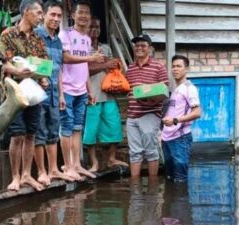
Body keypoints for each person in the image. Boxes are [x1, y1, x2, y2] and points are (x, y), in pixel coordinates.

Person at [0, 0, 46, 191]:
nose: (41, 17)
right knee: (17, 135)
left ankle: (27, 175)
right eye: (38, 12)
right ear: (26, 12)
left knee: (31, 134)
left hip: (33, 92)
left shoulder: (38, 39)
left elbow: (43, 66)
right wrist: (19, 72)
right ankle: (15, 177)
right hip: (14, 93)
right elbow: (2, 64)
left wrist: (43, 78)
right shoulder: (8, 34)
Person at [58, 0, 105, 180]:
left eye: (87, 13)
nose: (84, 16)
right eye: (81, 12)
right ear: (73, 15)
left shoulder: (86, 39)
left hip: (81, 90)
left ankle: (76, 164)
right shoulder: (66, 34)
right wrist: (90, 56)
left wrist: (89, 89)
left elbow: (84, 66)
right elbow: (66, 58)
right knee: (67, 128)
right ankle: (67, 166)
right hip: (67, 89)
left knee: (78, 128)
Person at [33, 0, 73, 185]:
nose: (56, 19)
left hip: (55, 93)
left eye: (59, 16)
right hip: (39, 91)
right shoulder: (36, 36)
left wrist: (62, 94)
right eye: (52, 15)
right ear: (44, 16)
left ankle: (54, 169)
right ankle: (42, 172)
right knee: (39, 131)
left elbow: (59, 70)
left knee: (52, 131)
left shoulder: (57, 41)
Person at [83, 16, 128, 172]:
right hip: (91, 95)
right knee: (91, 131)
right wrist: (105, 64)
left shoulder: (106, 48)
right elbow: (82, 70)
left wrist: (113, 66)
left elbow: (110, 68)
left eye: (97, 27)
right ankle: (94, 162)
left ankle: (111, 158)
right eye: (91, 27)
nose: (95, 30)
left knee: (114, 126)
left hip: (108, 94)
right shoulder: (82, 48)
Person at [125, 34, 168, 177]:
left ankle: (153, 187)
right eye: (137, 45)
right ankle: (135, 187)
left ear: (150, 48)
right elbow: (128, 90)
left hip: (150, 114)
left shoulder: (158, 67)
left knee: (151, 151)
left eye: (143, 45)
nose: (139, 48)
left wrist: (149, 98)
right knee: (134, 153)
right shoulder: (130, 68)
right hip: (132, 115)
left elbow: (164, 90)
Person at [161, 55, 201, 183]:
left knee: (180, 179)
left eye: (179, 66)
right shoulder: (175, 90)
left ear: (187, 69)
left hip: (180, 138)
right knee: (169, 177)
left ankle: (181, 202)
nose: (175, 69)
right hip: (167, 138)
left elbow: (197, 113)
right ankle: (170, 202)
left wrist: (175, 121)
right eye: (173, 66)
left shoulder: (190, 88)